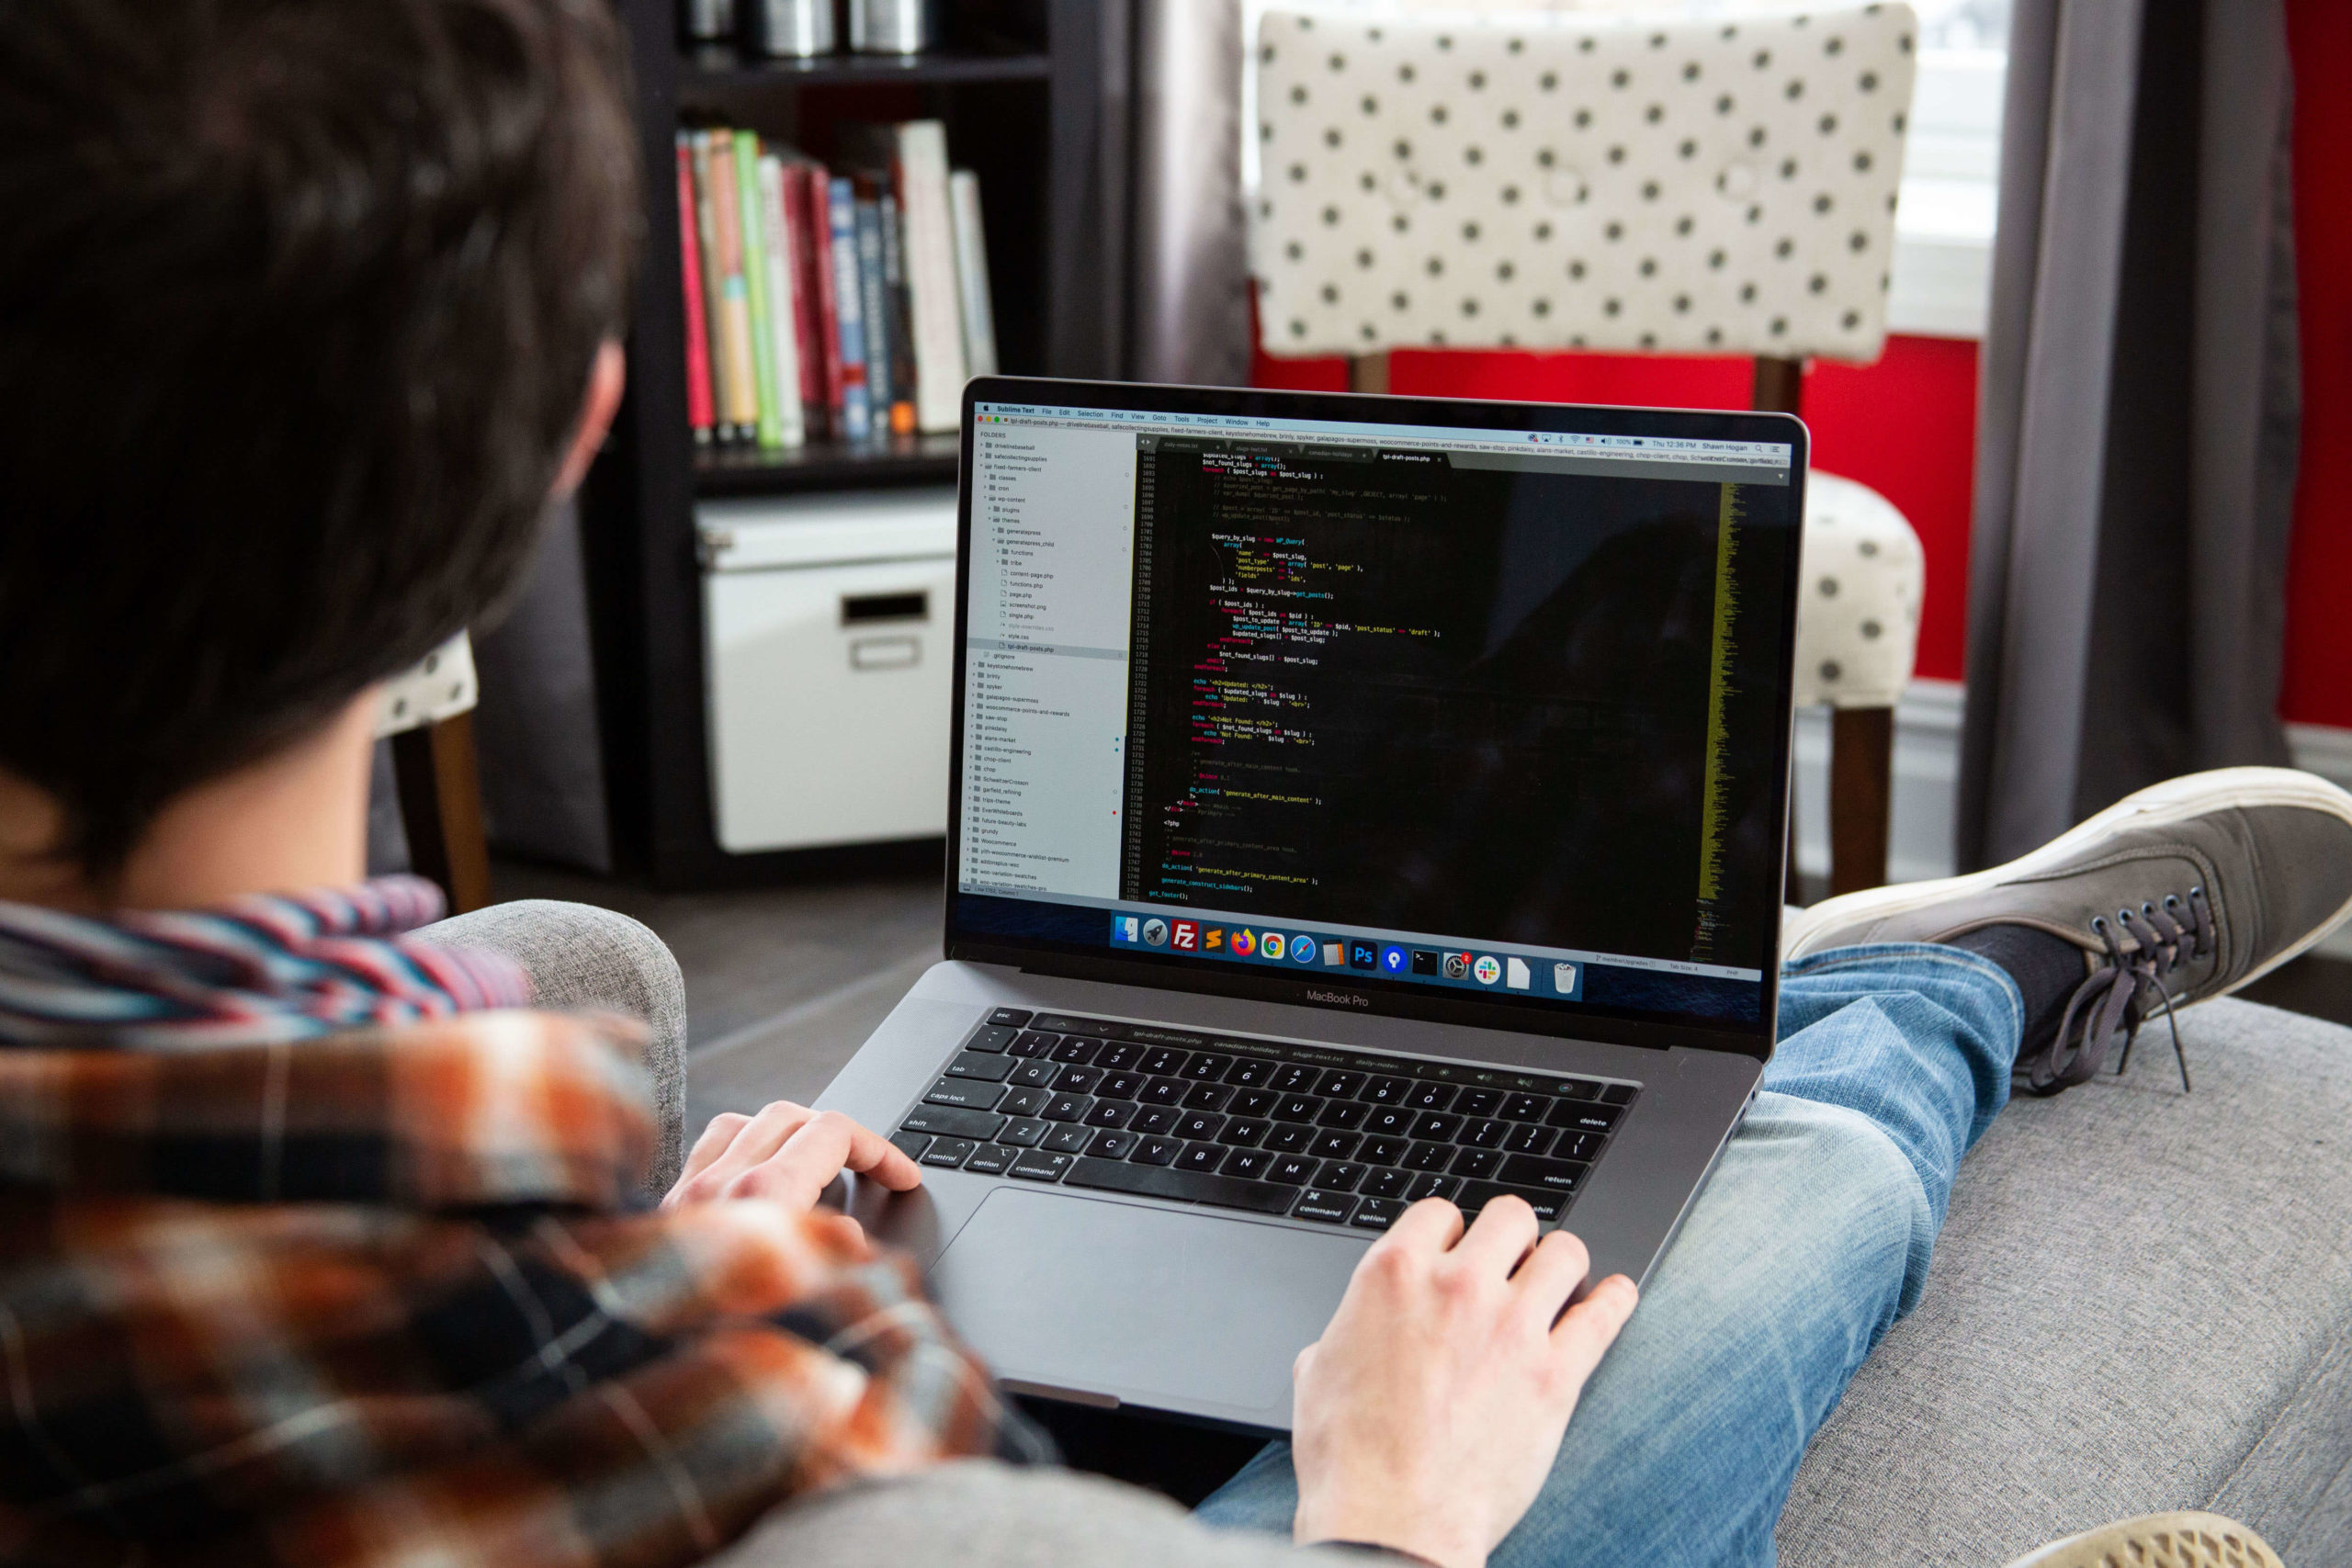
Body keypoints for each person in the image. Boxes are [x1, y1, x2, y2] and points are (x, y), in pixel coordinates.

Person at [0, 4, 2340, 1567]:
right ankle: (1945, 992)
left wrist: (671, 1243)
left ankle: (1806, 988)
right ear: (564, 436)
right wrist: (1384, 1521)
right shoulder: (704, 1404)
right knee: (1762, 1188)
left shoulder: (569, 1263)